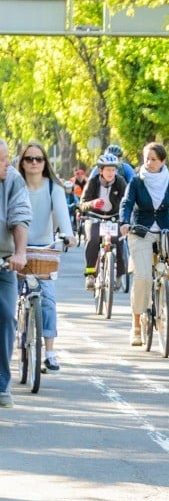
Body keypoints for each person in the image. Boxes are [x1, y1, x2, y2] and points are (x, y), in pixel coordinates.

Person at [119, 143, 169, 346]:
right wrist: (125, 222)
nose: (149, 163)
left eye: (154, 159)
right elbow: (127, 203)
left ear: (163, 161)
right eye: (146, 159)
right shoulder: (136, 181)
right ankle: (136, 325)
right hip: (142, 231)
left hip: (166, 229)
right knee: (142, 277)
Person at [17, 142, 77, 372]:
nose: (34, 163)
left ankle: (50, 352)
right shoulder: (15, 185)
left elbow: (62, 214)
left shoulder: (54, 188)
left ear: (45, 163)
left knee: (48, 300)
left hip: (43, 249)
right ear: (22, 162)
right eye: (29, 159)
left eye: (38, 159)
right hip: (15, 250)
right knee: (7, 300)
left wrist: (68, 236)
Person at [0, 139, 31, 407]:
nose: (7, 163)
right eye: (1, 160)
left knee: (6, 315)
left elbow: (19, 217)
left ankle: (1, 385)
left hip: (3, 261)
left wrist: (19, 254)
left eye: (7, 158)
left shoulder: (13, 179)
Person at [79, 153, 128, 291]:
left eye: (113, 170)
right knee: (92, 239)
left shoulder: (120, 182)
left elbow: (127, 201)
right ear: (100, 170)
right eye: (107, 169)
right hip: (95, 217)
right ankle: (90, 275)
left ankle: (118, 275)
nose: (111, 173)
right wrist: (92, 203)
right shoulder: (92, 182)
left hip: (114, 218)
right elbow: (82, 204)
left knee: (119, 241)